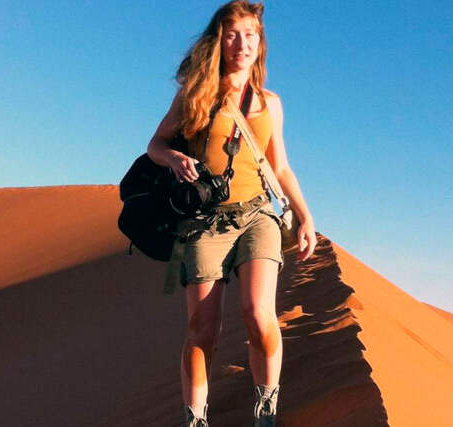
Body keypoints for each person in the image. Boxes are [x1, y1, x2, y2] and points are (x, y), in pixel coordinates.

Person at [146, 1, 316, 425]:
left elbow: (280, 167)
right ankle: (196, 418)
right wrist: (174, 158)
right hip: (205, 221)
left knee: (258, 312)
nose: (243, 44)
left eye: (251, 36)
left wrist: (306, 216)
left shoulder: (271, 103)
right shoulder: (196, 95)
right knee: (203, 328)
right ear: (219, 41)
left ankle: (266, 409)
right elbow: (155, 145)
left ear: (260, 43)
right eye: (233, 35)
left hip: (257, 215)